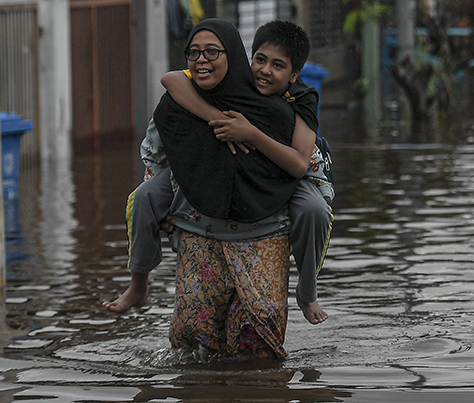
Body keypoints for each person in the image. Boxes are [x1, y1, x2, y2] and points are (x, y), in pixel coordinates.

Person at [103, 21, 334, 326]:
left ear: (293, 75)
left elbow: (298, 163)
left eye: (278, 66)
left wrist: (249, 132)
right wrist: (216, 118)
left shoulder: (300, 98)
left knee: (315, 211)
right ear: (246, 57)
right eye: (260, 60)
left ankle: (307, 292)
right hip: (201, 176)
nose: (265, 71)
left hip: (285, 174)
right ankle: (138, 285)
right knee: (143, 198)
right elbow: (170, 79)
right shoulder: (228, 84)